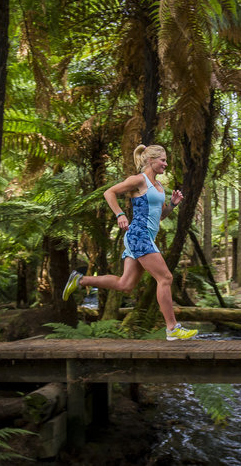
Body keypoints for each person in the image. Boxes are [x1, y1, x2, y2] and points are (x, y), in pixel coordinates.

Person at [62, 144, 197, 341]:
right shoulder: (138, 180)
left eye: (166, 160)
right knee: (165, 278)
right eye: (162, 160)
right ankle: (172, 328)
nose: (166, 164)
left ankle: (80, 280)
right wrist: (120, 214)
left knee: (125, 285)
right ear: (150, 160)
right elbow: (109, 193)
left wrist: (173, 205)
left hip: (146, 237)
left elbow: (159, 217)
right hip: (138, 234)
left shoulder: (159, 187)